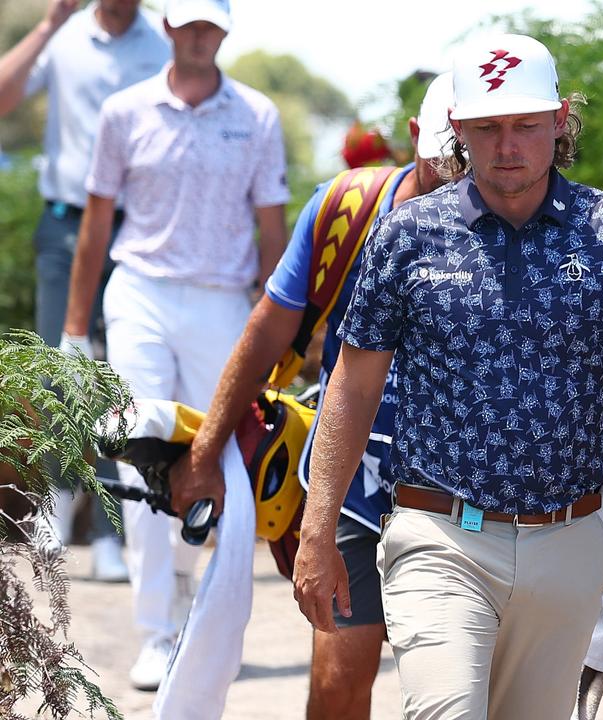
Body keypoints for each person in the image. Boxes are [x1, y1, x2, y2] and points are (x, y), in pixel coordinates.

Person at [291, 33, 603, 720]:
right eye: (488, 128)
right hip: (440, 537)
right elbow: (352, 386)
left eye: (525, 124)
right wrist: (318, 528)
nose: (507, 145)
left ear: (559, 120)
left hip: (570, 543)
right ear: (458, 129)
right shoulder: (407, 236)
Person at [168, 72, 457, 720]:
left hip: (462, 492)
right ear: (415, 139)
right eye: (444, 168)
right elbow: (269, 327)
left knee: (454, 690)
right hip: (354, 481)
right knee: (338, 680)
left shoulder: (512, 225)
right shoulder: (346, 210)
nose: (457, 186)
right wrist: (208, 449)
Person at [61, 0, 289, 691]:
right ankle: (157, 631)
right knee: (140, 461)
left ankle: (191, 594)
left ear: (223, 29)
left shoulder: (258, 117)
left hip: (223, 303)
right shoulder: (124, 111)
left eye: (209, 24)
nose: (197, 34)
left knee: (213, 460)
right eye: (187, 21)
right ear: (166, 26)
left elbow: (272, 229)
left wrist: (283, 330)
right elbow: (97, 223)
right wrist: (75, 329)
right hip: (140, 294)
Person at [0, 0, 170, 580]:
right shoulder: (65, 35)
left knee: (120, 377)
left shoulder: (162, 42)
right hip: (66, 225)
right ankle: (55, 512)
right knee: (57, 374)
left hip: (138, 230)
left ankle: (109, 532)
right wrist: (47, 25)